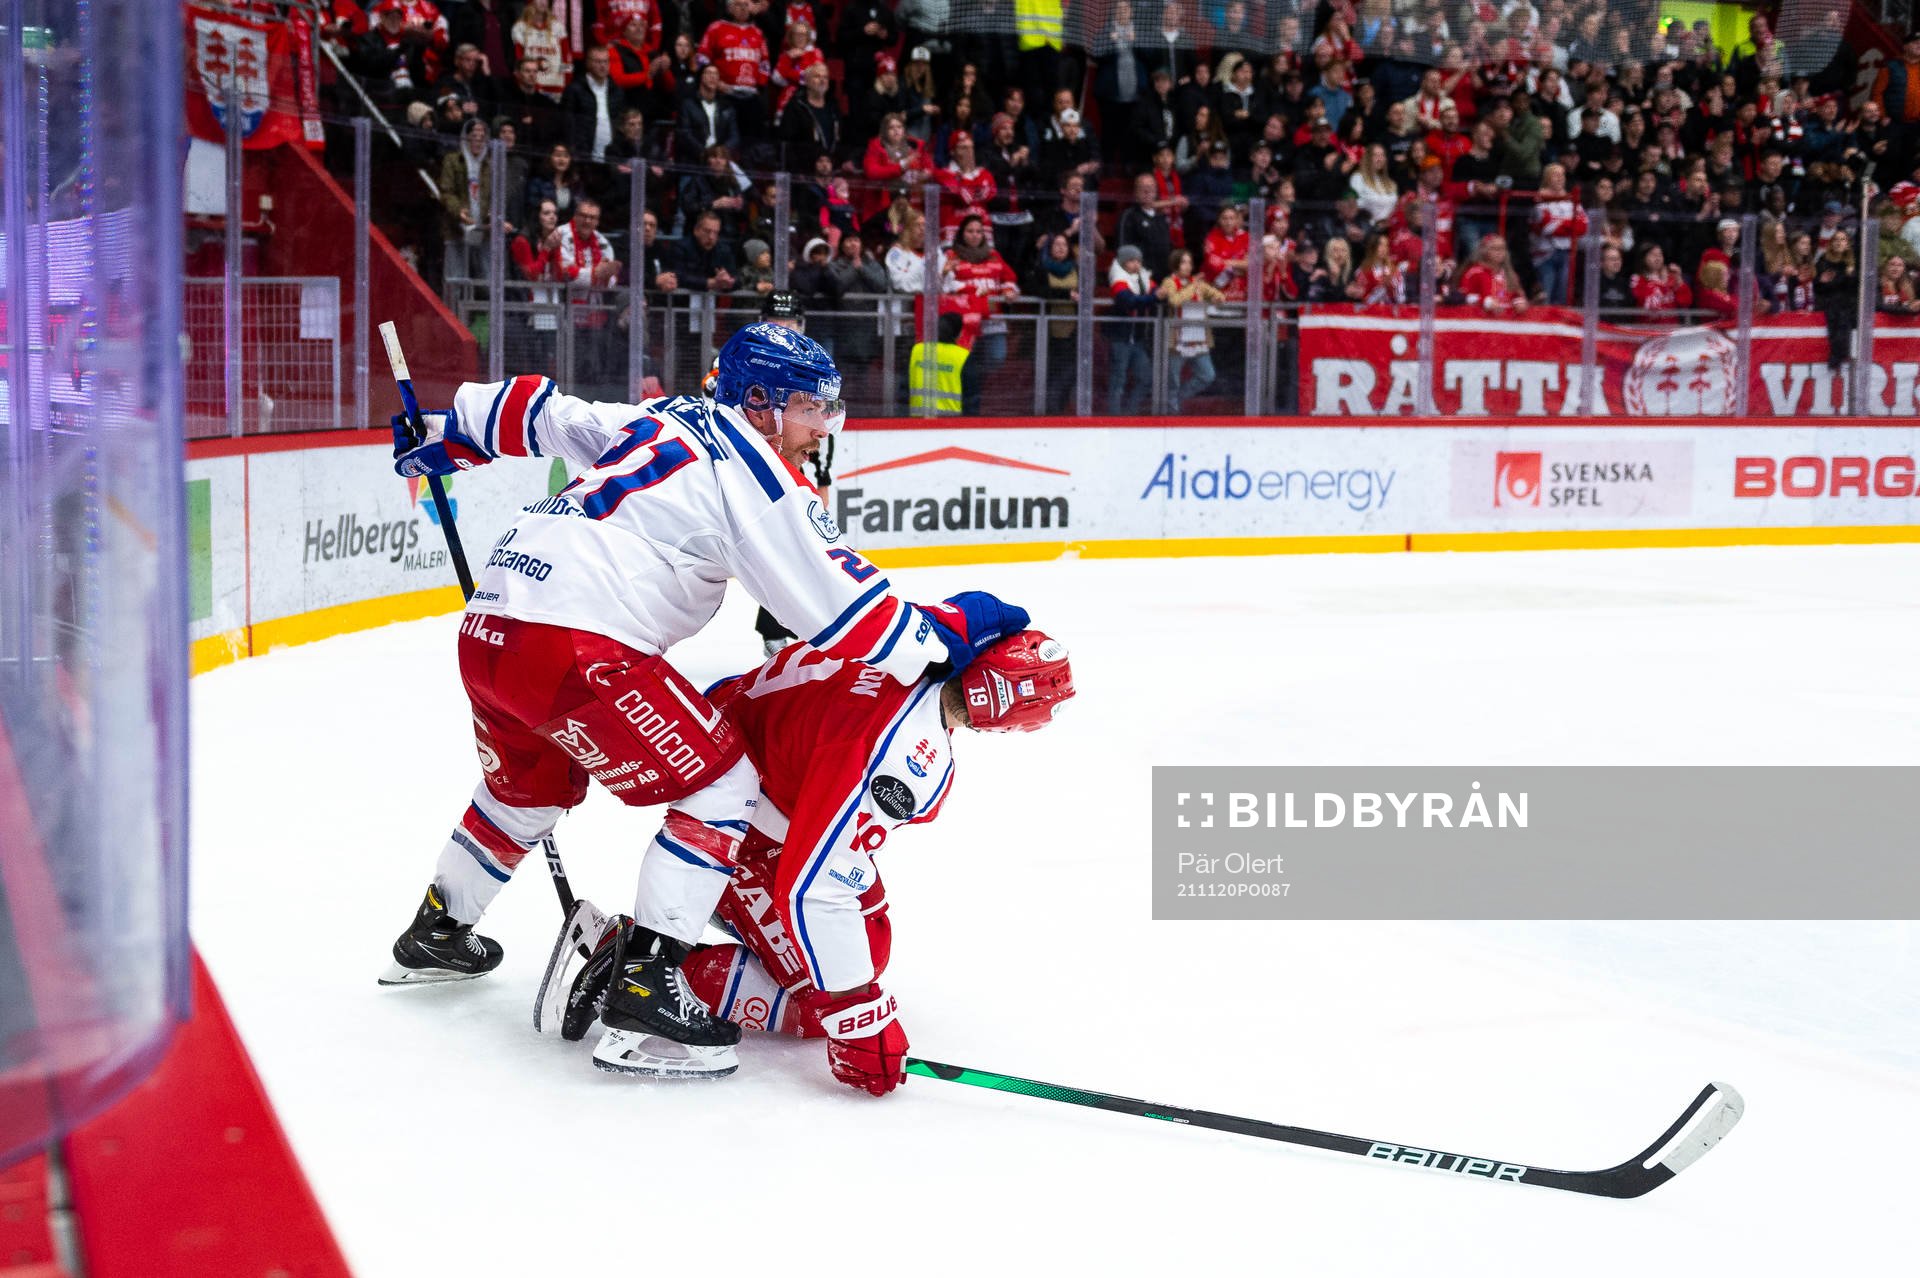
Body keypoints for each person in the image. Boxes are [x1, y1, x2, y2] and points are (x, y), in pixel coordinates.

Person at [381, 324, 1028, 1080]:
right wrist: (947, 636)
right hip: (578, 644)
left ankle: (438, 928)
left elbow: (544, 413)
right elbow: (848, 614)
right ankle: (646, 986)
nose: (823, 426)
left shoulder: (661, 419)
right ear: (758, 403)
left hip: (492, 627)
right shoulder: (755, 474)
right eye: (810, 407)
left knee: (523, 789)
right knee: (726, 781)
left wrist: (447, 430)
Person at [537, 629, 1075, 1097]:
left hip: (731, 776)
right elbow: (814, 885)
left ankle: (669, 937)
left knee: (869, 941)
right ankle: (636, 961)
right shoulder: (906, 752)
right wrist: (857, 1018)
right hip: (742, 830)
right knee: (822, 1004)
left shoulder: (897, 644)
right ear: (1012, 703)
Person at [1158, 248, 1223, 412]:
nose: (1187, 266)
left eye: (1189, 263)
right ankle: (1170, 412)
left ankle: (1179, 397)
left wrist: (1217, 298)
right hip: (1178, 338)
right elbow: (1174, 300)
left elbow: (1219, 295)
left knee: (1207, 375)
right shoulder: (1169, 281)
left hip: (1198, 337)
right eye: (1183, 262)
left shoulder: (1198, 283)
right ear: (1175, 264)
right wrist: (1193, 287)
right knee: (1172, 379)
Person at [1106, 243, 1157, 415]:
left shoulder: (1144, 279)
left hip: (1138, 339)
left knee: (1145, 378)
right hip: (1121, 338)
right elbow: (1127, 300)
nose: (1136, 264)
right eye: (1131, 261)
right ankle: (1114, 417)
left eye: (1138, 261)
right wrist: (1154, 297)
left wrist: (1157, 295)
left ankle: (1130, 413)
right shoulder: (1118, 279)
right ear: (1123, 262)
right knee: (1118, 380)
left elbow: (1158, 293)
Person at [908, 310, 976, 415]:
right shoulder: (963, 356)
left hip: (918, 422)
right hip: (951, 424)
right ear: (959, 333)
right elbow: (971, 397)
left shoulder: (917, 350)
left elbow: (904, 388)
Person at [1814, 230, 1858, 374]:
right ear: (1831, 244)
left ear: (1847, 244)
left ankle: (1840, 355)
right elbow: (1821, 286)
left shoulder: (1852, 264)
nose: (1839, 242)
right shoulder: (1823, 261)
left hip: (1847, 304)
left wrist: (1844, 277)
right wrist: (1844, 277)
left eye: (1843, 239)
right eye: (1836, 240)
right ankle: (1837, 356)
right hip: (1829, 303)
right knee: (1837, 313)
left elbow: (1853, 288)